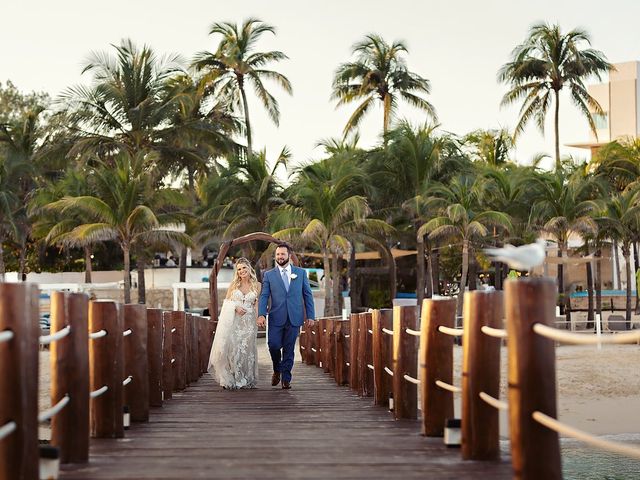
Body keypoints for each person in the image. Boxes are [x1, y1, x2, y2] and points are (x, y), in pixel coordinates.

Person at [257, 243, 315, 389]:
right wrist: (261, 314)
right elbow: (264, 296)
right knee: (273, 345)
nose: (280, 257)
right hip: (276, 317)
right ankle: (277, 369)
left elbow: (308, 295)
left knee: (289, 349)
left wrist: (311, 316)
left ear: (289, 256)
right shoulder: (268, 275)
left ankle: (286, 378)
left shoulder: (300, 273)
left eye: (282, 254)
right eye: (277, 254)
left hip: (294, 316)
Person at [207, 258, 259, 389]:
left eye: (244, 268)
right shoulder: (234, 285)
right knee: (234, 348)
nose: (242, 271)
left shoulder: (257, 285)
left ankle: (246, 378)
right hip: (235, 321)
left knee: (247, 350)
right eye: (239, 269)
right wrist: (235, 308)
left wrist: (260, 318)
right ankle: (235, 376)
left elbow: (257, 303)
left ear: (249, 268)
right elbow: (226, 302)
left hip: (249, 323)